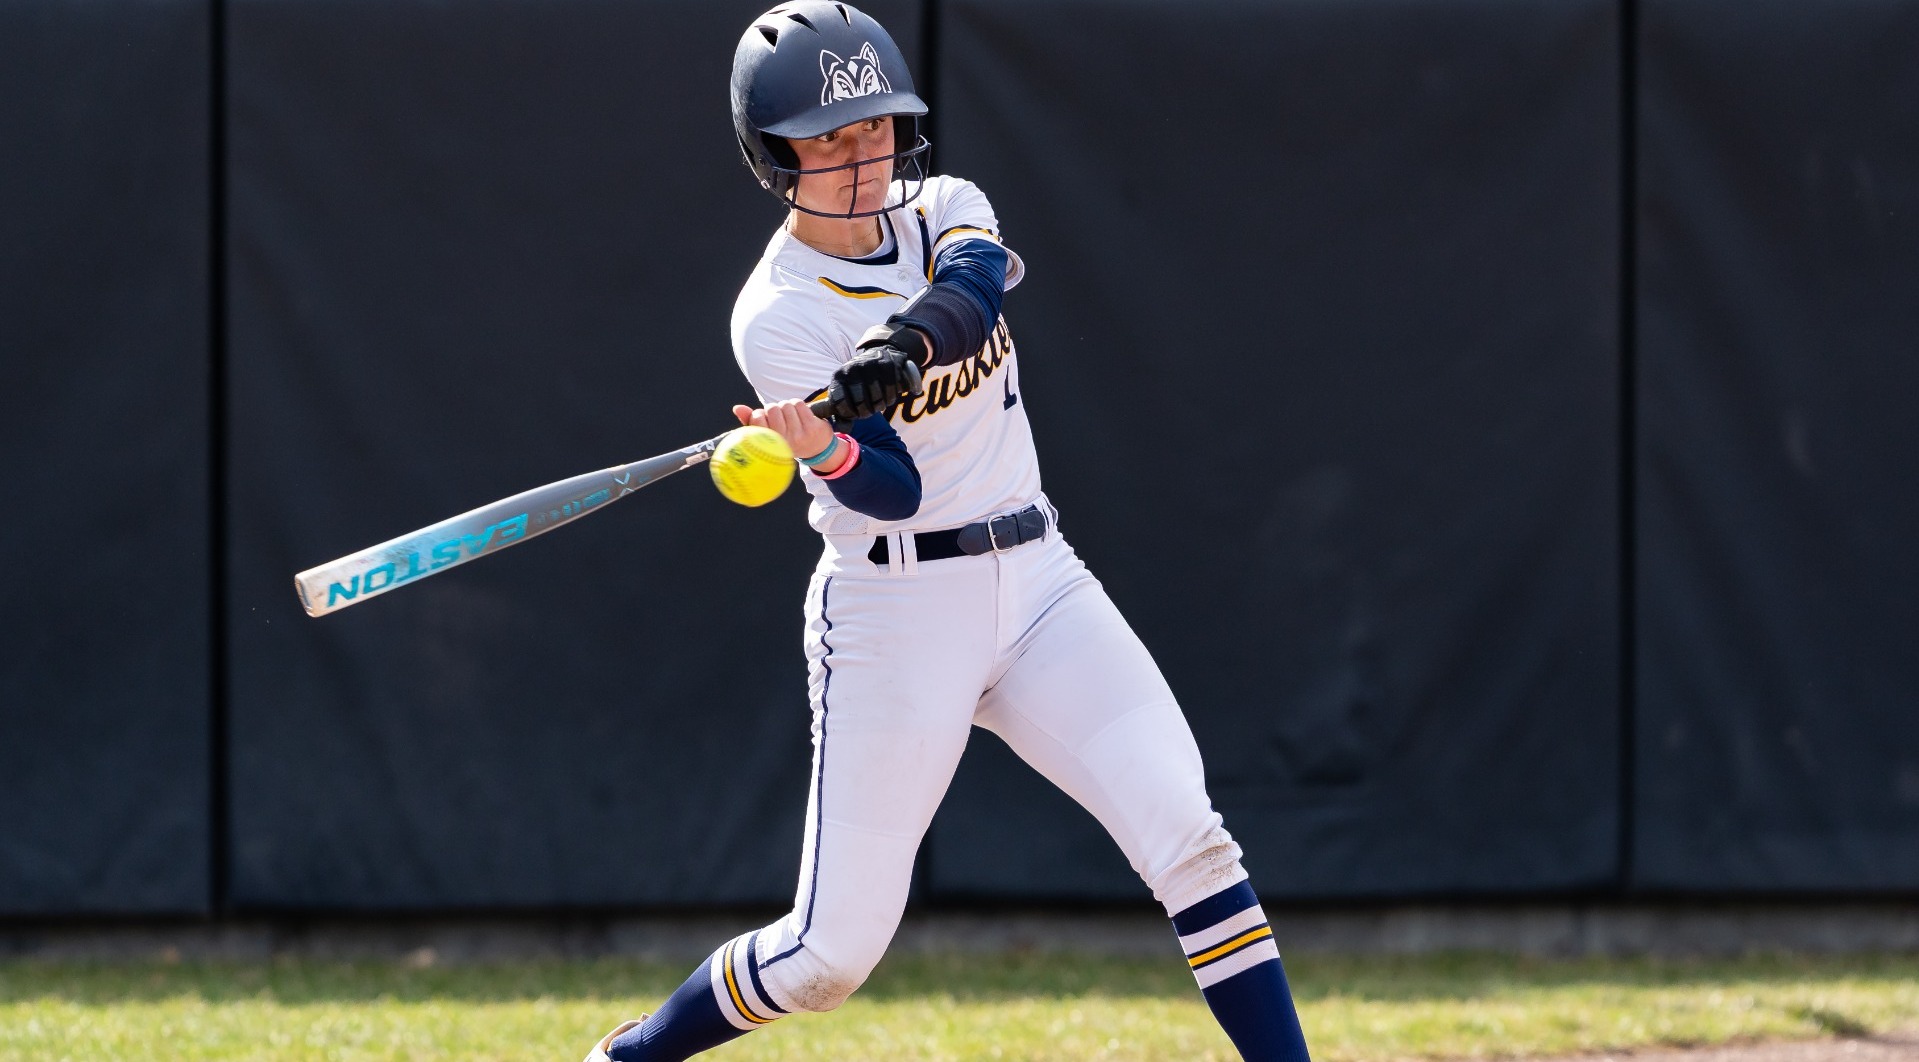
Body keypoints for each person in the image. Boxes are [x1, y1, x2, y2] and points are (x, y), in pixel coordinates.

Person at [584, 4, 1313, 1059]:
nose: (858, 156)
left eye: (873, 125)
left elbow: (970, 288)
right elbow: (886, 489)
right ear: (771, 154)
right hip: (895, 611)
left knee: (1192, 842)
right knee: (826, 960)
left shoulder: (944, 206)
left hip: (1040, 578)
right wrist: (827, 445)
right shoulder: (776, 315)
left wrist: (899, 346)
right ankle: (634, 1054)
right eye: (825, 139)